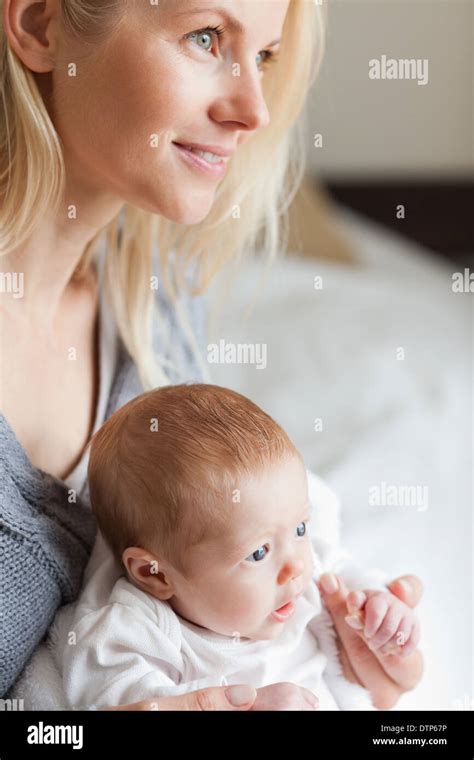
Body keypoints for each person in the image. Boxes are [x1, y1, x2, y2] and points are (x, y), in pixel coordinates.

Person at [0, 0, 423, 710]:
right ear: (42, 25)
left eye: (264, 56)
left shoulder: (158, 313)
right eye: (205, 38)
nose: (254, 110)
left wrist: (346, 666)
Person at [58, 383, 421, 711]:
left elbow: (344, 575)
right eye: (258, 553)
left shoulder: (299, 571)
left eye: (299, 527)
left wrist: (380, 609)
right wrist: (254, 703)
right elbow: (119, 697)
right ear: (153, 573)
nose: (295, 565)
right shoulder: (139, 628)